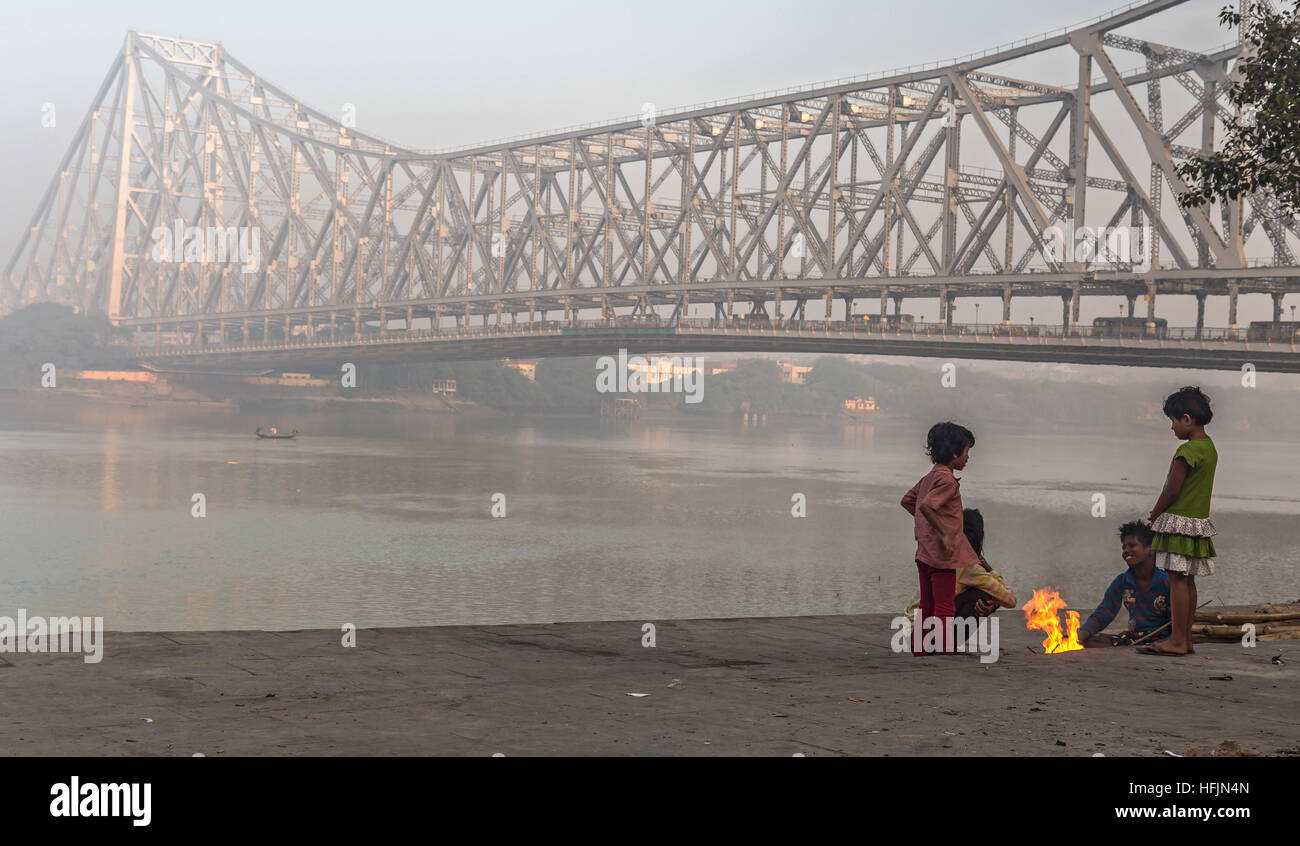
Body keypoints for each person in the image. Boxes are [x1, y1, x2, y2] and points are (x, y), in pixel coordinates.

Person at [1139, 387, 1218, 657]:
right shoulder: (1209, 448)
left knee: (1176, 581)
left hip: (1178, 522)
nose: (1172, 428)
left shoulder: (1187, 450)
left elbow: (1172, 490)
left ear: (1187, 419)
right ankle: (1185, 639)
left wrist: (1154, 513)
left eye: (1173, 421)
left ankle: (1176, 640)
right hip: (1197, 522)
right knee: (1188, 580)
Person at [900, 422, 980, 655]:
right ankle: (945, 652)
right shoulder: (947, 482)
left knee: (927, 606)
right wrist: (944, 533)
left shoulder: (930, 476)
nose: (967, 458)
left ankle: (919, 649)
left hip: (924, 554)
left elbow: (908, 501)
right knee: (945, 608)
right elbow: (926, 506)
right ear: (955, 453)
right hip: (942, 557)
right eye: (966, 452)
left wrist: (926, 527)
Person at [1078, 521, 1171, 647]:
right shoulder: (1122, 581)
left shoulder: (1166, 581)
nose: (1126, 550)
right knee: (1091, 642)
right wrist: (1081, 635)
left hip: (1162, 636)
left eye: (1132, 545)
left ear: (1151, 549)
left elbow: (1177, 618)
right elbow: (1104, 612)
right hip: (1134, 636)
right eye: (1124, 547)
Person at [952, 508, 1017, 620]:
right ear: (981, 536)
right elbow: (1011, 600)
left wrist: (996, 602)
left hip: (916, 622)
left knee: (983, 589)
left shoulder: (944, 556)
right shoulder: (970, 568)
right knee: (985, 595)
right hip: (926, 629)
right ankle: (947, 638)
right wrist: (988, 567)